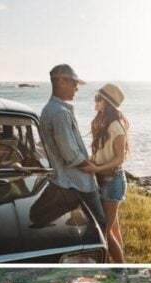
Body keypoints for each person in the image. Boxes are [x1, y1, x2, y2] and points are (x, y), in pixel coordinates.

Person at [36, 64, 107, 236]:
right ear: (61, 82)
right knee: (98, 225)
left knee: (75, 225)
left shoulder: (49, 109)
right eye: (74, 84)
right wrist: (93, 167)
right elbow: (71, 155)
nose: (76, 89)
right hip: (77, 182)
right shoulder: (60, 112)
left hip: (63, 179)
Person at [87, 83, 129, 263]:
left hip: (112, 180)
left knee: (104, 230)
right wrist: (92, 161)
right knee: (113, 228)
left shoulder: (116, 127)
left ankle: (119, 270)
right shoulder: (101, 121)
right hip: (103, 177)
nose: (95, 101)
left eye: (98, 98)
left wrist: (96, 168)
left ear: (107, 103)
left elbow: (120, 158)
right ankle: (121, 262)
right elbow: (100, 152)